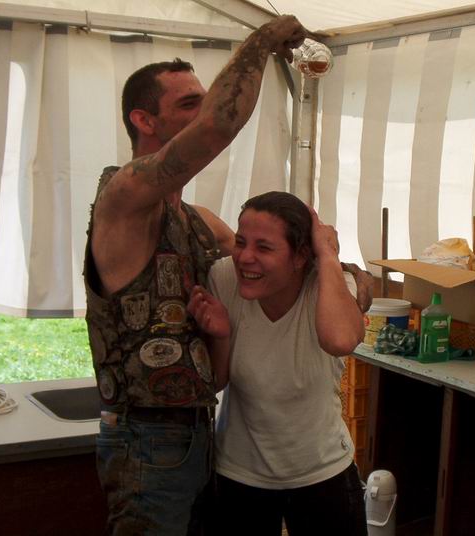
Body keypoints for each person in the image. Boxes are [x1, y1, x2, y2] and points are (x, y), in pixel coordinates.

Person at [83, 16, 313, 536]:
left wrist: (341, 269)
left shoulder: (196, 220)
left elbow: (274, 259)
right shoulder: (122, 198)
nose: (204, 111)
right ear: (143, 120)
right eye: (189, 103)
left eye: (204, 101)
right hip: (146, 440)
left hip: (199, 431)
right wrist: (263, 39)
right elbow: (217, 126)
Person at [188, 191, 368, 536]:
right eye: (241, 242)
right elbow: (215, 383)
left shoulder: (328, 283)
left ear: (300, 256)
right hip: (240, 473)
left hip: (322, 471)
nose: (246, 258)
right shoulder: (224, 278)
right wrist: (221, 335)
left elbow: (341, 340)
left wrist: (327, 254)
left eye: (264, 248)